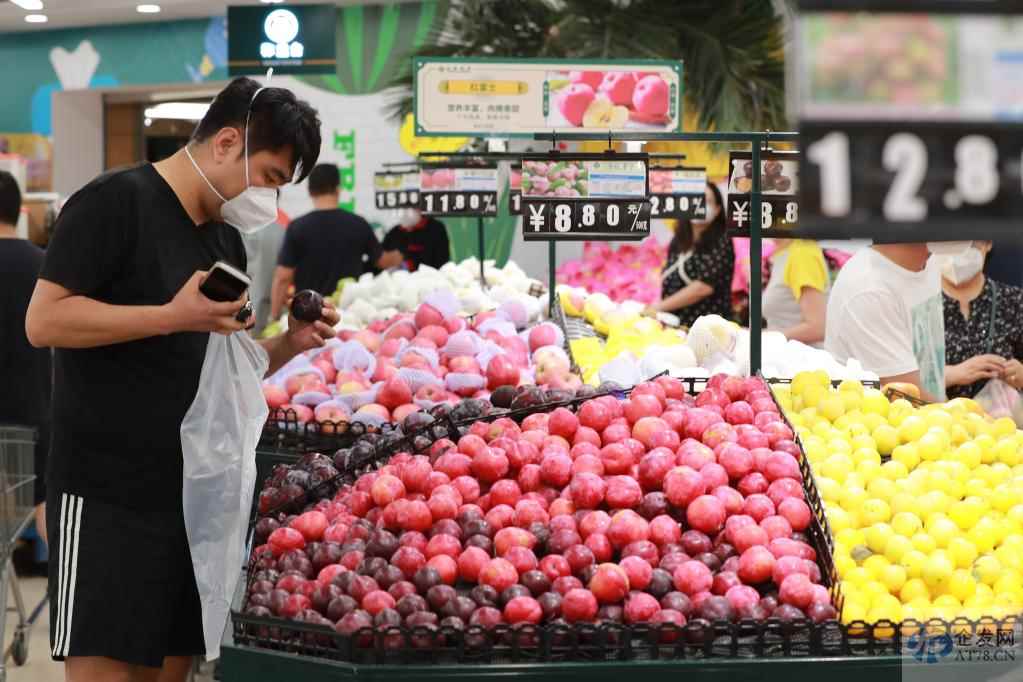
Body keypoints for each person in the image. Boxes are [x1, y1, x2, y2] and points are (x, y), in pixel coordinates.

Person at [25, 77, 338, 682]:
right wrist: (171, 315)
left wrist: (288, 345)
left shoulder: (225, 238)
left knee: (172, 669)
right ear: (226, 142)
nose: (269, 202)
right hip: (105, 490)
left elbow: (226, 366)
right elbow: (44, 321)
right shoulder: (115, 202)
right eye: (270, 177)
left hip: (191, 497)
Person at [825, 242, 948, 402]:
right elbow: (911, 398)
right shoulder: (869, 290)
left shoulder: (928, 262)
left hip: (929, 417)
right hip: (883, 421)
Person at [0, 171, 50, 547]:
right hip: (36, 412)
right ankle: (59, 590)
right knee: (45, 504)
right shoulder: (46, 266)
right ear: (18, 211)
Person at [272, 164, 393, 319]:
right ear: (338, 189)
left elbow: (283, 277)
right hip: (352, 314)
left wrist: (273, 317)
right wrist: (399, 254)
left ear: (310, 191)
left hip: (310, 315)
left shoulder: (297, 227)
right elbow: (382, 261)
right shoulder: (358, 224)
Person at [939, 241, 1023, 399]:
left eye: (968, 243)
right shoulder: (917, 304)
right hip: (934, 420)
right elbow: (891, 377)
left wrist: (1019, 375)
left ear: (988, 243)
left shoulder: (1014, 301)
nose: (958, 253)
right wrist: (952, 374)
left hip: (1002, 421)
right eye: (949, 242)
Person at [647, 181, 734, 328]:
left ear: (718, 209)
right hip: (674, 325)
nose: (699, 205)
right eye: (695, 200)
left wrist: (658, 307)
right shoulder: (678, 240)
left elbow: (703, 287)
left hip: (707, 330)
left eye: (706, 201)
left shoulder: (722, 241)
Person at [762, 238, 829, 346]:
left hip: (802, 359)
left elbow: (818, 327)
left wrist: (764, 338)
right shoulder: (784, 252)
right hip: (786, 356)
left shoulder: (802, 254)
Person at [381, 208, 451, 271]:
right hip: (397, 281)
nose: (407, 211)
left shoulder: (436, 229)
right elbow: (380, 258)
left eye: (412, 205)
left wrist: (410, 265)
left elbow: (441, 263)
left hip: (428, 280)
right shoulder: (394, 233)